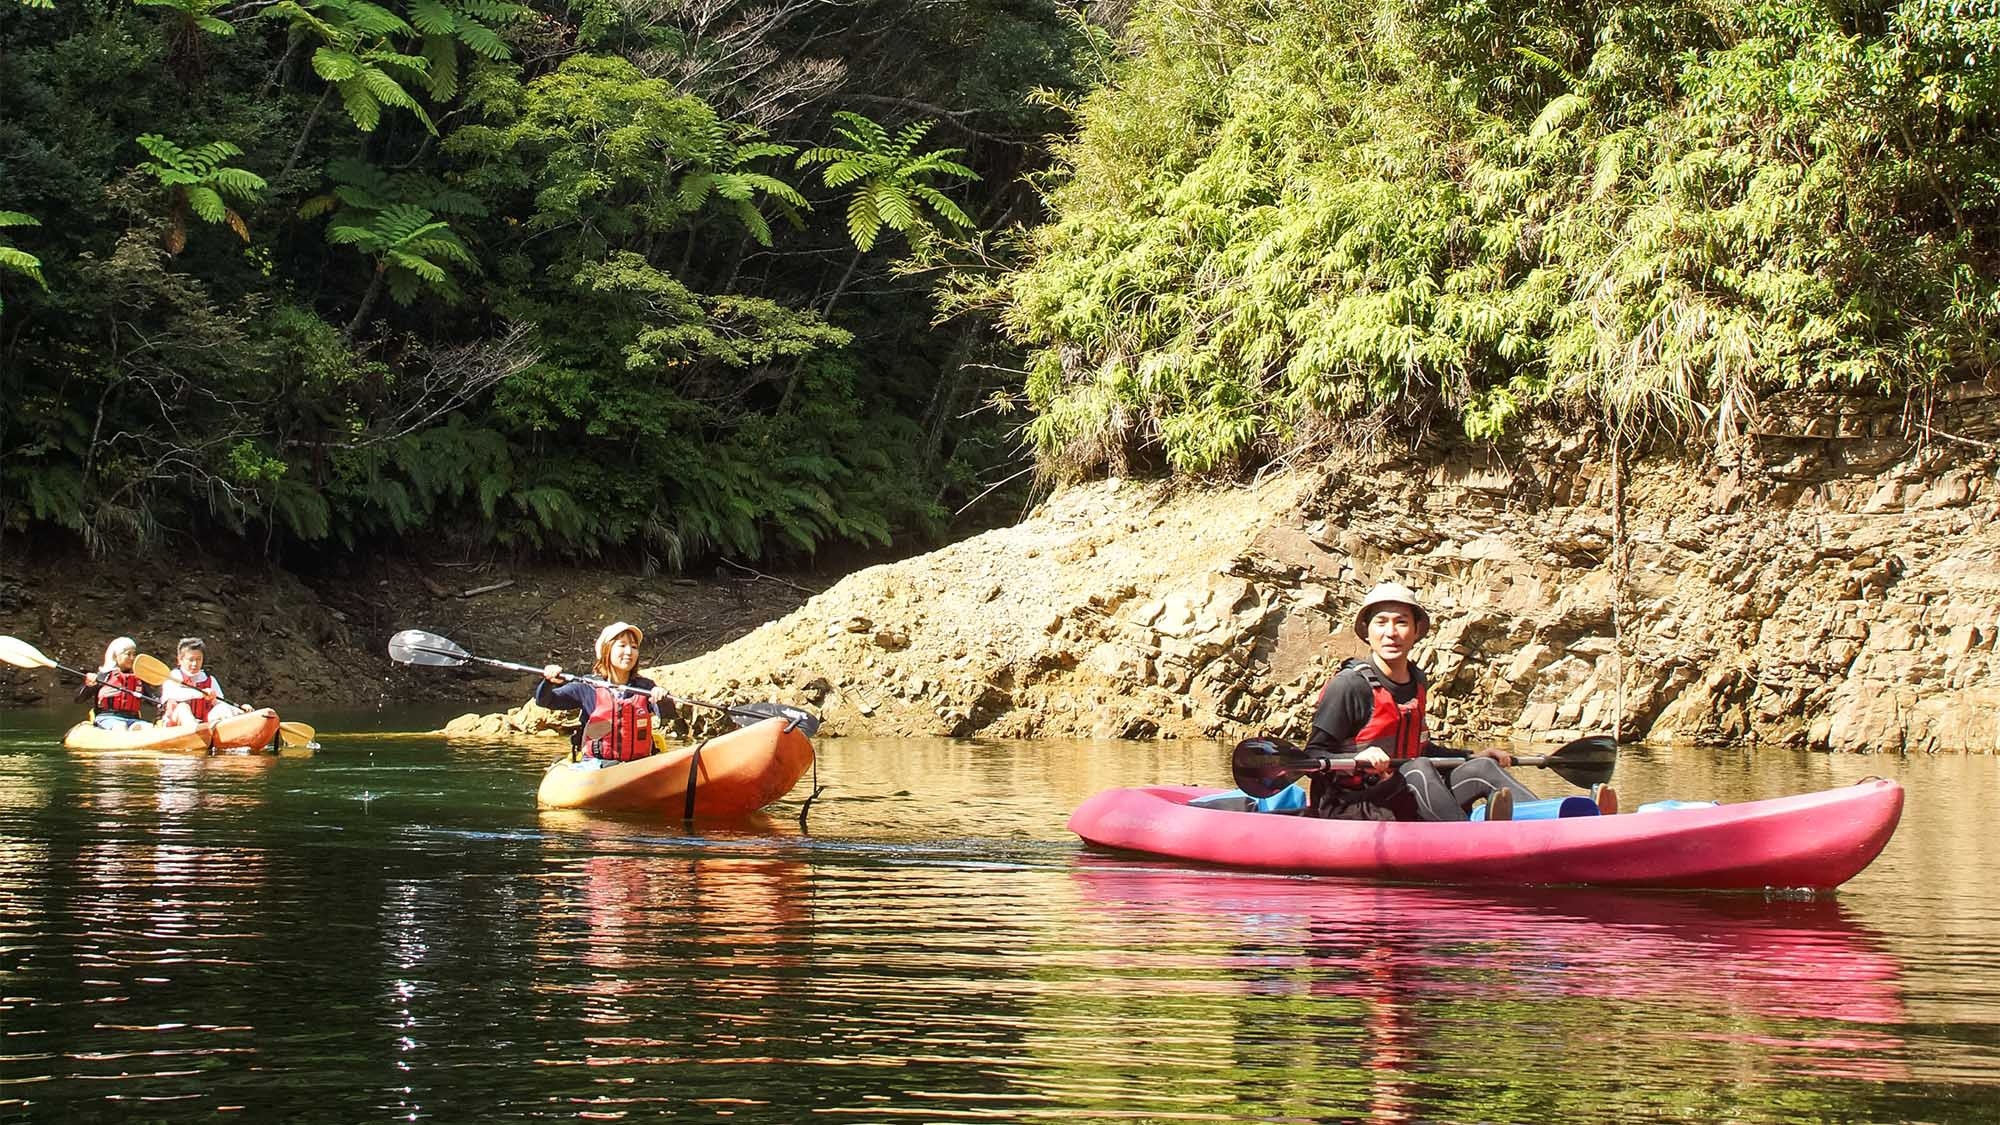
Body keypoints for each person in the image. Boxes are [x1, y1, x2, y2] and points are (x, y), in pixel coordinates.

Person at [1301, 582, 1537, 822]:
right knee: (1419, 769)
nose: (1391, 632)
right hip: (1350, 806)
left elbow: (1420, 750)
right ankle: (1471, 842)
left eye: (1401, 622)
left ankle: (1551, 824)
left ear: (1416, 631)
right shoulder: (1349, 685)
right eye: (1381, 622)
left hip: (1400, 795)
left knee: (1482, 768)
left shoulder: (1416, 681)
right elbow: (1312, 757)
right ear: (1367, 630)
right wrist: (1357, 760)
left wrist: (1471, 756)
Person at [537, 622, 674, 766]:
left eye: (634, 647)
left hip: (637, 765)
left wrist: (662, 699)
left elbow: (667, 714)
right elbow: (545, 701)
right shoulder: (587, 687)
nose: (629, 652)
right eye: (622, 645)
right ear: (606, 650)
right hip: (596, 765)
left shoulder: (645, 687)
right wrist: (549, 682)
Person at [158, 636, 241, 727]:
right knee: (183, 708)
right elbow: (175, 694)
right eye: (191, 660)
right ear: (180, 660)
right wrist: (201, 693)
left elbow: (220, 701)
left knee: (222, 708)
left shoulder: (209, 680)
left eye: (198, 659)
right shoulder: (173, 677)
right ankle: (194, 732)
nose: (195, 664)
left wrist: (239, 710)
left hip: (203, 725)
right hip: (175, 724)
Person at [78, 636, 152, 730]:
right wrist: (89, 686)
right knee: (120, 726)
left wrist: (164, 703)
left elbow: (151, 699)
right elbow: (79, 699)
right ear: (116, 656)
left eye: (134, 654)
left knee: (148, 727)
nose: (132, 658)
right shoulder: (104, 676)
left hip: (133, 719)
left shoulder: (139, 678)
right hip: (107, 717)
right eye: (128, 654)